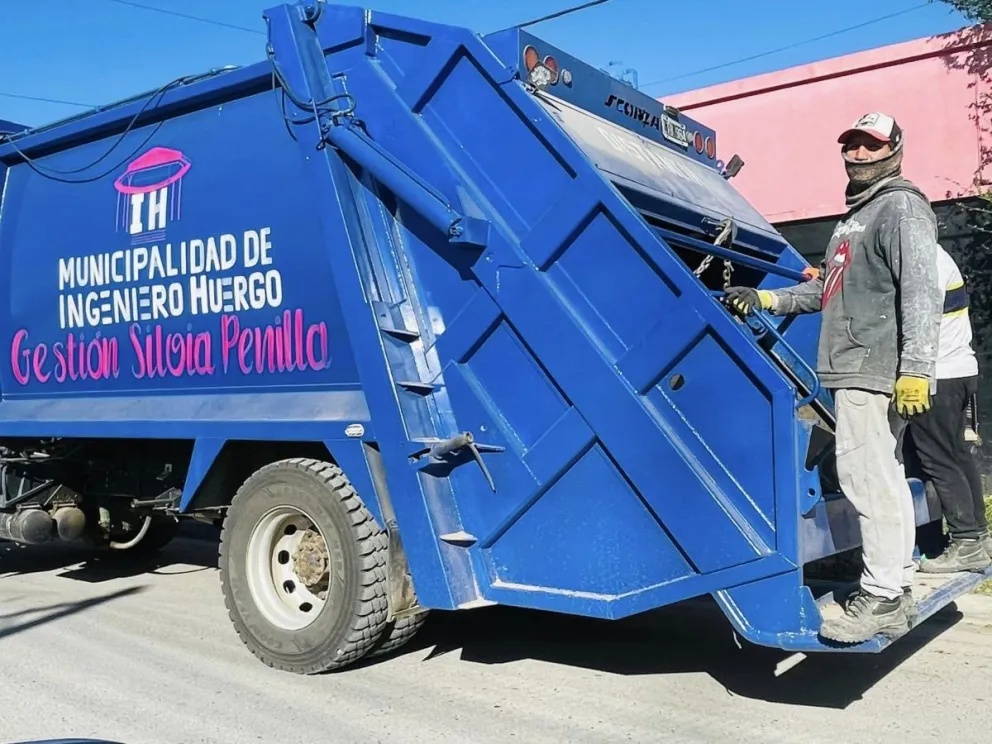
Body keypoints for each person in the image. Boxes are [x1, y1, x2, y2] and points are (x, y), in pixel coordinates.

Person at [724, 111, 942, 644]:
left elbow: (921, 290)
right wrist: (766, 299)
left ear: (895, 149)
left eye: (871, 145)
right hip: (852, 368)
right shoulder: (855, 219)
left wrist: (916, 367)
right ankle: (894, 580)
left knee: (869, 480)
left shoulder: (899, 208)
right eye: (853, 145)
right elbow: (826, 293)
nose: (859, 154)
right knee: (877, 477)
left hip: (872, 370)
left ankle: (884, 596)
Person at [908, 246, 992, 572]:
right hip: (960, 370)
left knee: (938, 459)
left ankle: (966, 542)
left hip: (937, 376)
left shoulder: (921, 262)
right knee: (959, 454)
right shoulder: (941, 257)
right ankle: (979, 537)